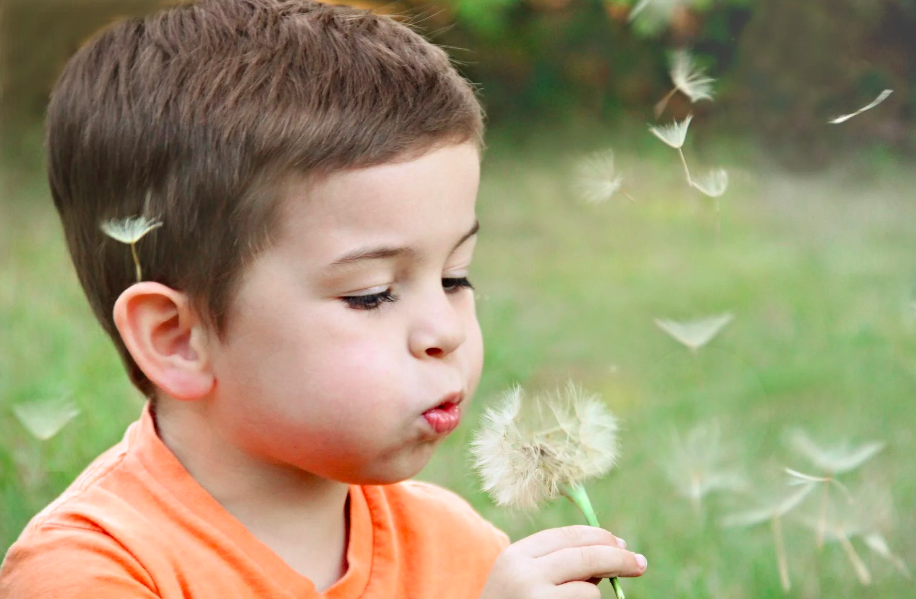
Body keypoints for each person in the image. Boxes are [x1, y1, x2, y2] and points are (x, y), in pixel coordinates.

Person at [0, 1, 648, 597]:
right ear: (178, 337)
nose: (443, 330)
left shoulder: (460, 548)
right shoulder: (92, 571)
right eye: (371, 295)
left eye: (454, 277)